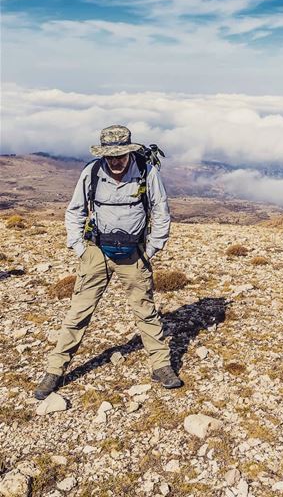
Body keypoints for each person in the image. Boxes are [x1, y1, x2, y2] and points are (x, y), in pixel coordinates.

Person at [34, 124, 182, 400]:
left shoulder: (147, 173)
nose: (115, 161)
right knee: (78, 313)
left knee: (145, 311)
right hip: (96, 252)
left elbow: (161, 211)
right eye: (110, 156)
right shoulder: (91, 172)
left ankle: (161, 366)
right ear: (103, 154)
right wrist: (79, 247)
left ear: (128, 152)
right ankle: (55, 370)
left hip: (134, 254)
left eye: (120, 156)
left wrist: (151, 249)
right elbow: (75, 211)